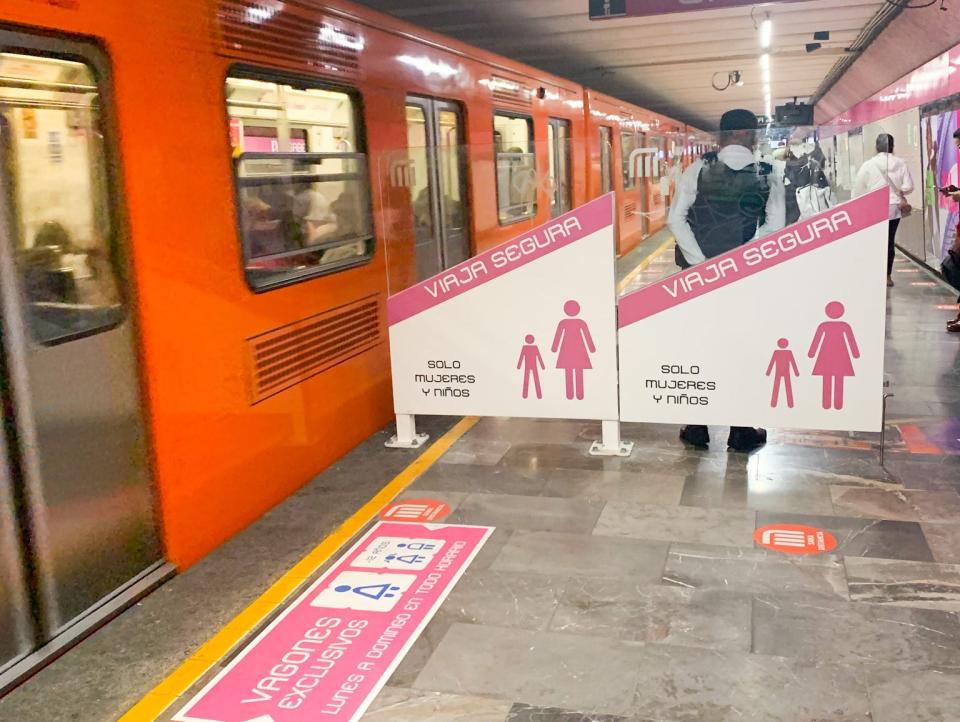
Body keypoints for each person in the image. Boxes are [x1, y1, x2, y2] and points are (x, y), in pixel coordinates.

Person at [668, 108, 786, 452]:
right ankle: (741, 429)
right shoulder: (768, 173)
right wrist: (742, 259)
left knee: (700, 344)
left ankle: (697, 425)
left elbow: (676, 220)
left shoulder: (698, 168)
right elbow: (775, 225)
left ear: (722, 136)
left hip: (699, 278)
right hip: (744, 277)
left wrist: (701, 262)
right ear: (752, 135)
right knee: (742, 345)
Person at [852, 133, 914, 288]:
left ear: (876, 146)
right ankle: (887, 276)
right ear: (892, 146)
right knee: (889, 241)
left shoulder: (868, 165)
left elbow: (858, 187)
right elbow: (909, 186)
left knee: (875, 241)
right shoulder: (900, 163)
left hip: (874, 207)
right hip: (894, 208)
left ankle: (874, 273)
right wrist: (899, 190)